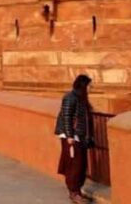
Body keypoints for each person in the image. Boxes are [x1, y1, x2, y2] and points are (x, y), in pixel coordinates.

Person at [54, 74, 95, 203]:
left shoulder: (80, 98)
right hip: (72, 137)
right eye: (89, 86)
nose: (91, 88)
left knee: (81, 165)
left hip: (79, 136)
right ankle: (74, 192)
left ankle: (77, 191)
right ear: (84, 85)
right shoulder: (70, 98)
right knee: (74, 165)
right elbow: (66, 116)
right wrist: (70, 136)